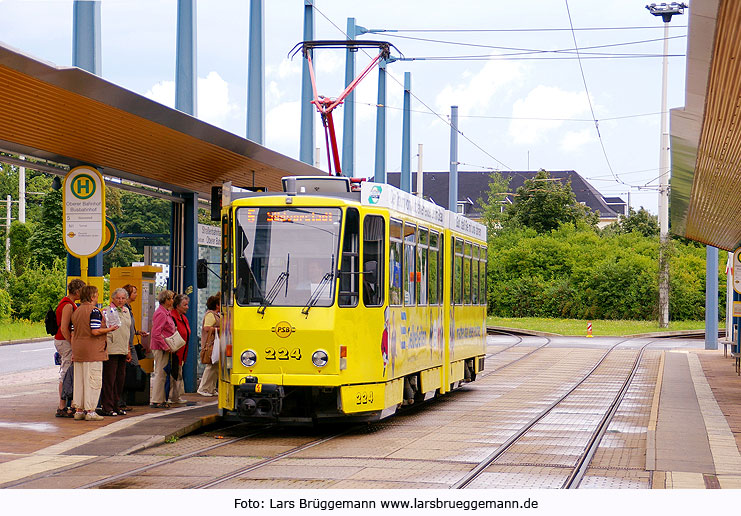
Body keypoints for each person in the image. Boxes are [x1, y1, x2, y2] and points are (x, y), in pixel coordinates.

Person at [71, 285, 118, 421]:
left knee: (80, 381)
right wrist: (109, 329)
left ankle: (79, 410)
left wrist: (74, 350)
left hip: (79, 350)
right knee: (93, 380)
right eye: (96, 295)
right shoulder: (95, 311)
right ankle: (90, 410)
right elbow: (95, 331)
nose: (97, 297)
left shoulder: (77, 311)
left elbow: (73, 333)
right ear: (92, 297)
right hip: (93, 351)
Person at [54, 279, 86, 418]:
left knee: (68, 370)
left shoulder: (66, 302)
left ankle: (68, 404)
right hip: (64, 341)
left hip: (62, 340)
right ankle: (62, 406)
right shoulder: (68, 305)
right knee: (66, 371)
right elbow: (64, 328)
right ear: (77, 291)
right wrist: (73, 344)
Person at [100, 288, 131, 416]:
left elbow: (127, 331)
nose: (121, 300)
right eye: (118, 298)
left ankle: (116, 404)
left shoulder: (126, 311)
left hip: (123, 349)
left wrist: (128, 349)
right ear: (113, 298)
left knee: (120, 379)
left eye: (123, 298)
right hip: (111, 349)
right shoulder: (106, 311)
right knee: (109, 379)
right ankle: (107, 406)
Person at [120, 284, 149, 412]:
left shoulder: (129, 308)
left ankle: (124, 400)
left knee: (130, 372)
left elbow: (129, 328)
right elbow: (124, 328)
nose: (137, 295)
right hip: (127, 346)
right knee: (129, 372)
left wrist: (137, 332)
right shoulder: (124, 309)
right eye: (135, 292)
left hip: (130, 345)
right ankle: (122, 401)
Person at [150, 289, 176, 408]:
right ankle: (156, 400)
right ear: (166, 300)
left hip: (164, 347)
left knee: (163, 373)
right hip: (160, 347)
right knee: (160, 373)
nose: (172, 300)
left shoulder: (166, 312)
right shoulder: (161, 313)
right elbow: (156, 333)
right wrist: (165, 346)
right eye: (171, 298)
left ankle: (160, 398)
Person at [169, 293, 191, 404]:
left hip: (182, 351)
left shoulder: (184, 318)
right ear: (177, 305)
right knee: (174, 373)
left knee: (178, 372)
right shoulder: (172, 317)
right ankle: (172, 396)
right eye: (185, 305)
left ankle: (176, 396)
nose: (187, 307)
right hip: (175, 351)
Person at [197, 295, 220, 396]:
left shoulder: (217, 315)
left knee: (215, 366)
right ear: (217, 305)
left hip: (215, 344)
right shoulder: (211, 315)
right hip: (211, 344)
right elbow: (207, 328)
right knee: (210, 366)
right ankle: (203, 388)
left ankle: (211, 388)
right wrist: (220, 329)